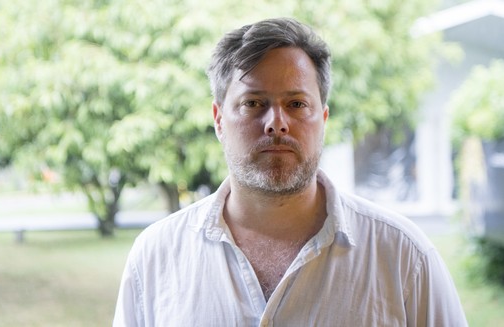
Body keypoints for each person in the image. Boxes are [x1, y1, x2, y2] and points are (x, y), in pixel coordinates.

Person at [113, 17, 468, 326]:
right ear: (219, 120)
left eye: (296, 104)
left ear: (323, 120)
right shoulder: (155, 257)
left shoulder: (404, 257)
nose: (277, 123)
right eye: (253, 103)